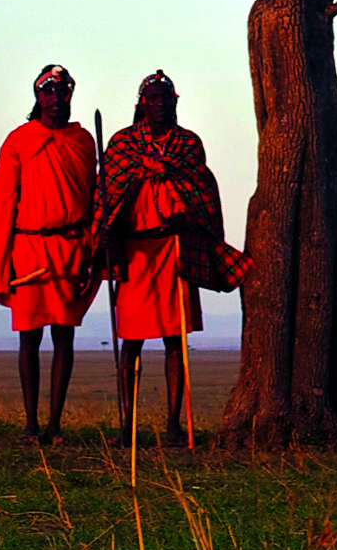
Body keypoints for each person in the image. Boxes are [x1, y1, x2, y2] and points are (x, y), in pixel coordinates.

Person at [89, 72, 250, 444]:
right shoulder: (123, 144)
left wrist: (186, 217)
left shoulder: (188, 144)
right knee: (131, 340)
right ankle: (127, 427)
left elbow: (201, 193)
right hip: (135, 253)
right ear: (142, 104)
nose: (160, 104)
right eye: (154, 98)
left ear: (175, 102)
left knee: (175, 340)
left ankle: (174, 426)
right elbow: (106, 196)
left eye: (166, 98)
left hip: (175, 250)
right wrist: (106, 231)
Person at [0, 64, 100, 444]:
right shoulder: (19, 141)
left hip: (70, 248)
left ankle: (54, 425)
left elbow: (94, 199)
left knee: (64, 335)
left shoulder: (83, 141)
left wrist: (93, 249)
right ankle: (31, 424)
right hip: (29, 248)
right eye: (48, 92)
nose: (56, 99)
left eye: (62, 92)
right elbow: (1, 206)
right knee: (29, 337)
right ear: (38, 97)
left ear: (70, 95)